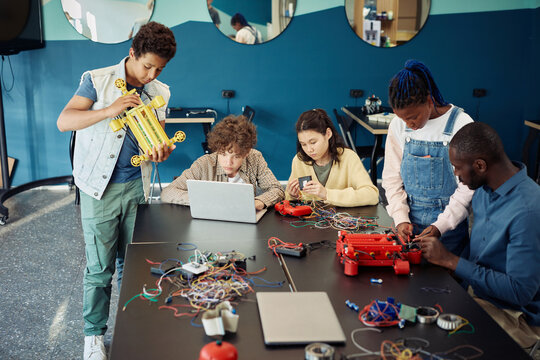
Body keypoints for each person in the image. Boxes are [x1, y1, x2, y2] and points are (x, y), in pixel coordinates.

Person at [57, 22, 176, 360]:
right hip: (100, 189)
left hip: (137, 186)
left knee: (134, 264)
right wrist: (108, 110)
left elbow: (158, 138)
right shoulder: (96, 80)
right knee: (99, 269)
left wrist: (162, 149)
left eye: (159, 69)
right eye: (146, 65)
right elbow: (64, 120)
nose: (151, 74)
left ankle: (133, 327)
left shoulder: (161, 92)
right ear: (131, 54)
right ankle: (93, 336)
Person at [419, 122, 540, 349]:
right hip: (480, 295)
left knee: (439, 343)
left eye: (457, 167)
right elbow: (483, 257)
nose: (455, 174)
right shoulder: (483, 192)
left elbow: (520, 292)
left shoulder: (527, 210)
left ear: (480, 165)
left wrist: (452, 261)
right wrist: (450, 269)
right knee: (417, 311)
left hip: (516, 314)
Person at [382, 59, 474, 254]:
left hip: (450, 232)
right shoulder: (398, 126)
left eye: (413, 117)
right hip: (408, 229)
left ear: (429, 101)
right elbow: (391, 178)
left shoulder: (461, 124)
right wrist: (401, 218)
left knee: (448, 284)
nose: (409, 124)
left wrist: (441, 226)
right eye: (402, 118)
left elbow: (468, 188)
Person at [161, 115, 284, 208]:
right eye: (223, 154)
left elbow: (276, 189)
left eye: (236, 157)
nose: (228, 162)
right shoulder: (204, 164)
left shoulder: (254, 158)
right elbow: (167, 192)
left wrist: (258, 202)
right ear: (217, 149)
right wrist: (204, 200)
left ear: (246, 153)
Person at [285, 109, 379, 207]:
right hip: (309, 220)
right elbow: (288, 198)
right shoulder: (299, 160)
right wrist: (292, 195)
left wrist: (327, 194)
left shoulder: (348, 158)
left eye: (313, 142)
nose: (309, 150)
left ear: (328, 134)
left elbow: (371, 195)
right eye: (303, 144)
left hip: (343, 219)